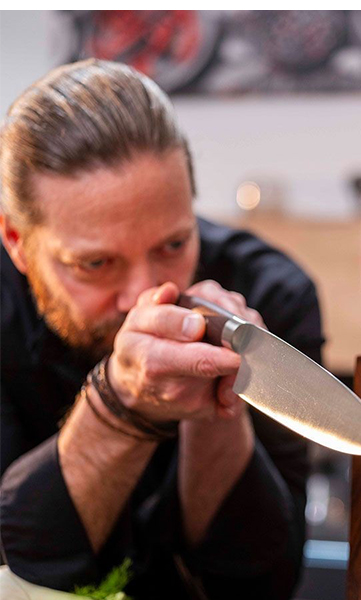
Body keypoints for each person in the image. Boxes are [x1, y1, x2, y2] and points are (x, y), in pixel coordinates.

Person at [0, 59, 324, 600]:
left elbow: (260, 586)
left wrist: (218, 400)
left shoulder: (271, 293)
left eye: (173, 244)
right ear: (17, 241)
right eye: (96, 264)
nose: (143, 296)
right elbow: (16, 570)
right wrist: (121, 403)